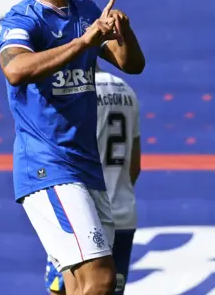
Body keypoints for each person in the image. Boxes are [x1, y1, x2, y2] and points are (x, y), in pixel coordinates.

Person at [0, 0, 146, 295]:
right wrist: (83, 43)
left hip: (87, 169)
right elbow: (15, 70)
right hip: (48, 166)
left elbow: (132, 65)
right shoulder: (23, 17)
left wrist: (122, 30)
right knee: (101, 279)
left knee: (78, 286)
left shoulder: (85, 10)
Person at [45, 64, 142, 295]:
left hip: (81, 215)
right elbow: (134, 166)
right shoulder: (126, 90)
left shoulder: (74, 92)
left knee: (63, 290)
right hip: (121, 211)